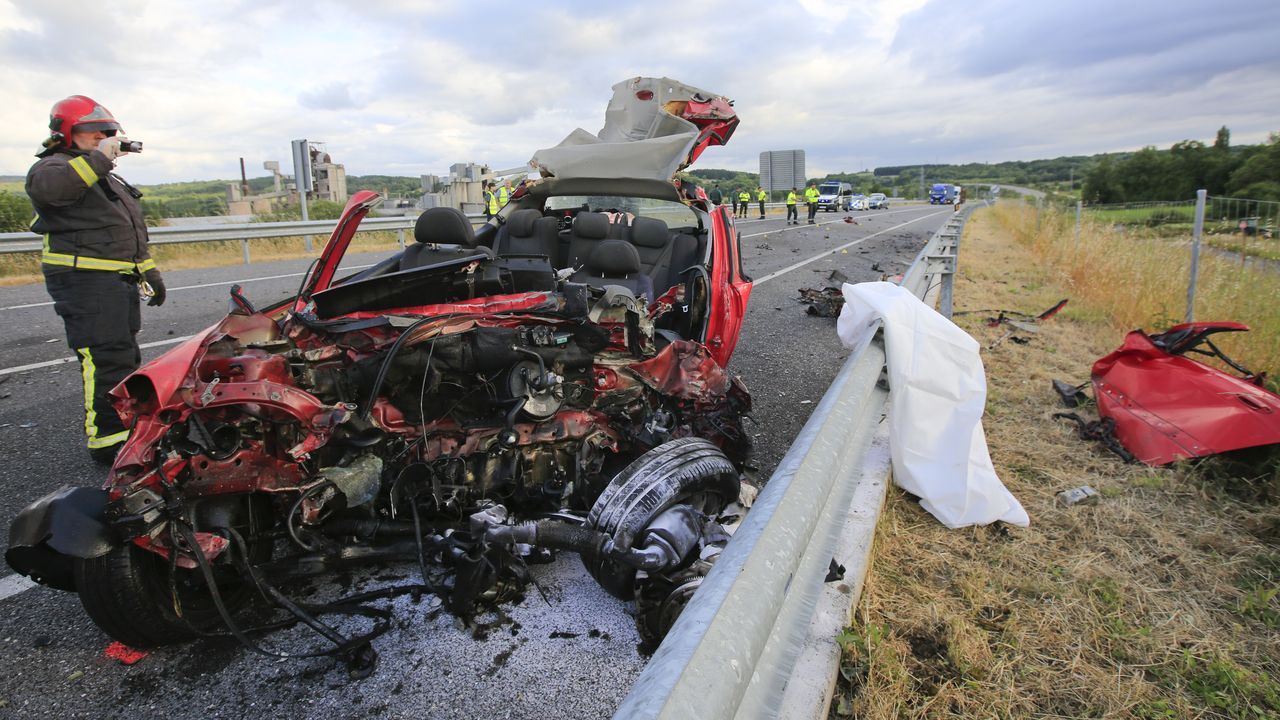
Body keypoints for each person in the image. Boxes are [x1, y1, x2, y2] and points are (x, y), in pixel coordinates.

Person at [26, 95, 166, 463]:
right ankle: (108, 442)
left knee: (122, 356)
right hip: (84, 282)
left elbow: (126, 230)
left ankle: (129, 430)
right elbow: (53, 192)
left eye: (108, 131)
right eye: (94, 131)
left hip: (114, 281)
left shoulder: (102, 175)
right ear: (66, 133)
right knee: (104, 358)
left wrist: (148, 269)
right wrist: (101, 158)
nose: (104, 136)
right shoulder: (53, 169)